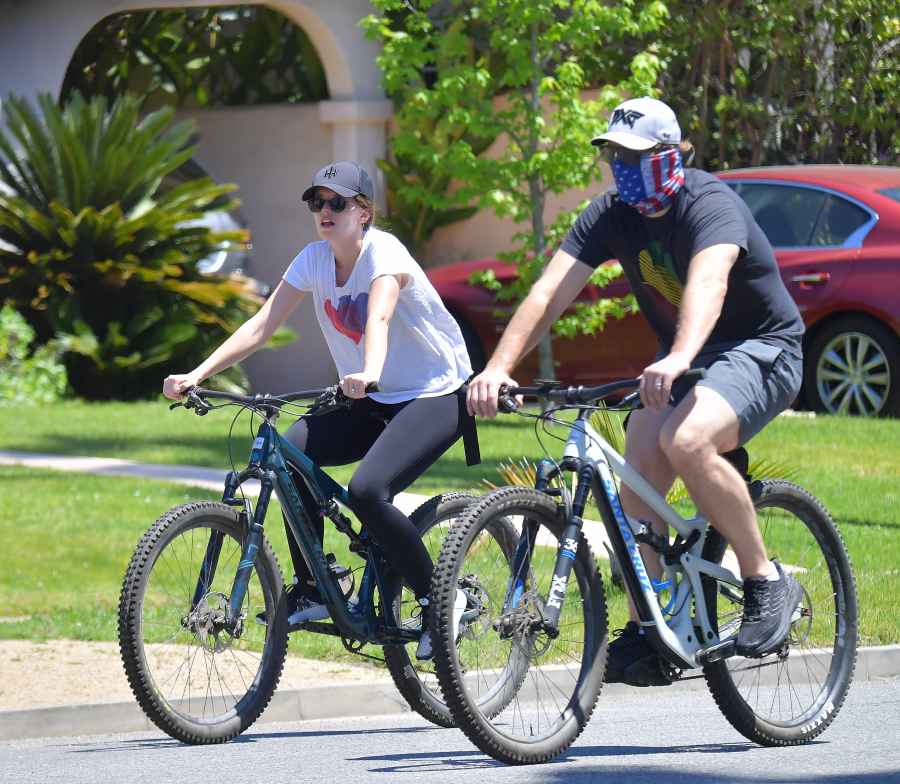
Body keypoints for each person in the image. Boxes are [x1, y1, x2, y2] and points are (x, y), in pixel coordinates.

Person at [466, 97, 806, 684]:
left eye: (637, 156)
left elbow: (709, 282)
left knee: (689, 438)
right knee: (639, 474)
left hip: (760, 349)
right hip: (687, 361)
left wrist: (676, 354)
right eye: (614, 156)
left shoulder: (709, 204)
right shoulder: (610, 215)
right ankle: (651, 626)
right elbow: (548, 293)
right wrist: (498, 366)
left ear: (674, 154)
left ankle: (765, 581)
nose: (623, 167)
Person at [164, 161, 471, 660]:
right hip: (368, 398)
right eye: (316, 202)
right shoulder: (313, 259)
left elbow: (380, 314)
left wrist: (369, 369)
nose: (324, 212)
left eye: (337, 203)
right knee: (286, 456)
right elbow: (262, 324)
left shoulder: (384, 253)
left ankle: (442, 599)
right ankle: (313, 586)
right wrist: (197, 374)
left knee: (369, 491)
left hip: (434, 393)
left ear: (364, 211)